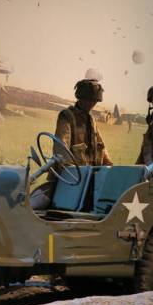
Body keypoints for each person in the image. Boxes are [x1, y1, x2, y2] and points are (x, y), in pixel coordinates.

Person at [30, 78, 112, 210]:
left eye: (94, 101)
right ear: (80, 98)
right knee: (44, 204)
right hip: (70, 178)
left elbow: (100, 145)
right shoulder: (67, 116)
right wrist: (70, 171)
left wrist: (109, 166)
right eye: (88, 100)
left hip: (89, 177)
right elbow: (61, 146)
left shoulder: (91, 119)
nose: (91, 104)